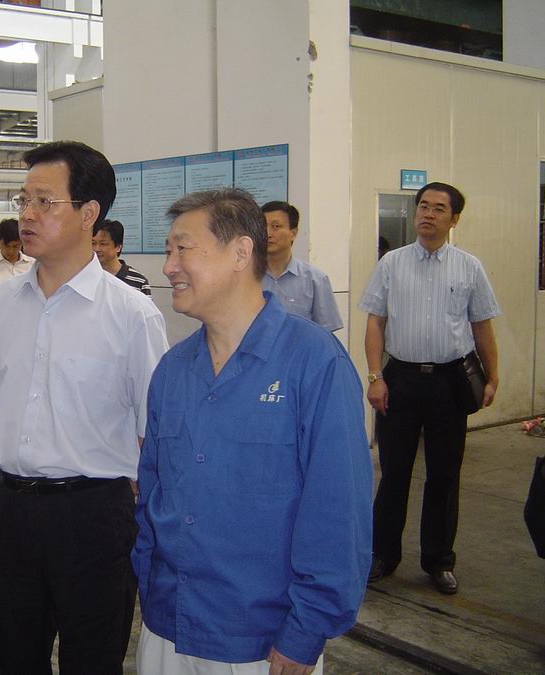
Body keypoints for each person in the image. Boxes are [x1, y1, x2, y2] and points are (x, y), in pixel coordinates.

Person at [133, 188, 371, 675]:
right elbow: (153, 489)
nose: (169, 267)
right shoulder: (173, 370)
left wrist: (306, 631)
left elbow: (337, 510)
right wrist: (147, 579)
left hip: (262, 643)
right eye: (167, 251)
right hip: (167, 625)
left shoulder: (314, 362)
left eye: (182, 248)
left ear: (241, 252)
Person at [0, 140, 169, 674]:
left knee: (92, 661)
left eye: (44, 201)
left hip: (92, 516)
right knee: (13, 658)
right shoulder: (0, 305)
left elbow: (153, 433)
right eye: (23, 200)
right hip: (9, 510)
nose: (27, 215)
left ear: (88, 213)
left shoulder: (133, 315)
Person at [360, 181, 500, 595]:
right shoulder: (391, 263)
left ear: (454, 219)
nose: (428, 214)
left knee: (444, 475)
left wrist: (492, 376)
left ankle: (438, 561)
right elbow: (375, 323)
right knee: (394, 473)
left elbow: (482, 326)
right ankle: (383, 554)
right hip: (400, 380)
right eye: (423, 206)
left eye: (439, 208)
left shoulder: (469, 267)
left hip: (449, 383)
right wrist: (375, 377)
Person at [261, 201, 341, 332]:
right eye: (263, 226)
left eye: (276, 227)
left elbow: (325, 333)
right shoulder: (246, 277)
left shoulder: (316, 280)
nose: (268, 233)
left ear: (293, 233)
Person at [92, 219, 152, 295]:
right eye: (93, 243)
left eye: (103, 244)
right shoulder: (85, 275)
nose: (97, 249)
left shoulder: (139, 281)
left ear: (118, 247)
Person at [0, 217, 33, 290]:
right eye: (6, 246)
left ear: (22, 242)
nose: (10, 251)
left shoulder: (33, 264)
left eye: (15, 246)